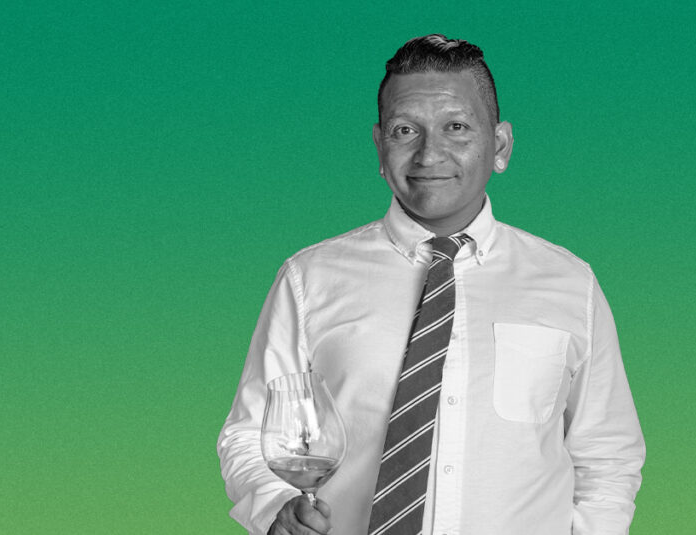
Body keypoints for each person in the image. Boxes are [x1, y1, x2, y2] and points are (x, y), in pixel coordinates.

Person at [218, 34, 645, 535]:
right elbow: (250, 436)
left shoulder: (569, 283)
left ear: (500, 146)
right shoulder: (310, 279)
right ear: (380, 147)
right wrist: (276, 507)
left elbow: (606, 457)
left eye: (456, 127)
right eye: (405, 130)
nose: (429, 154)